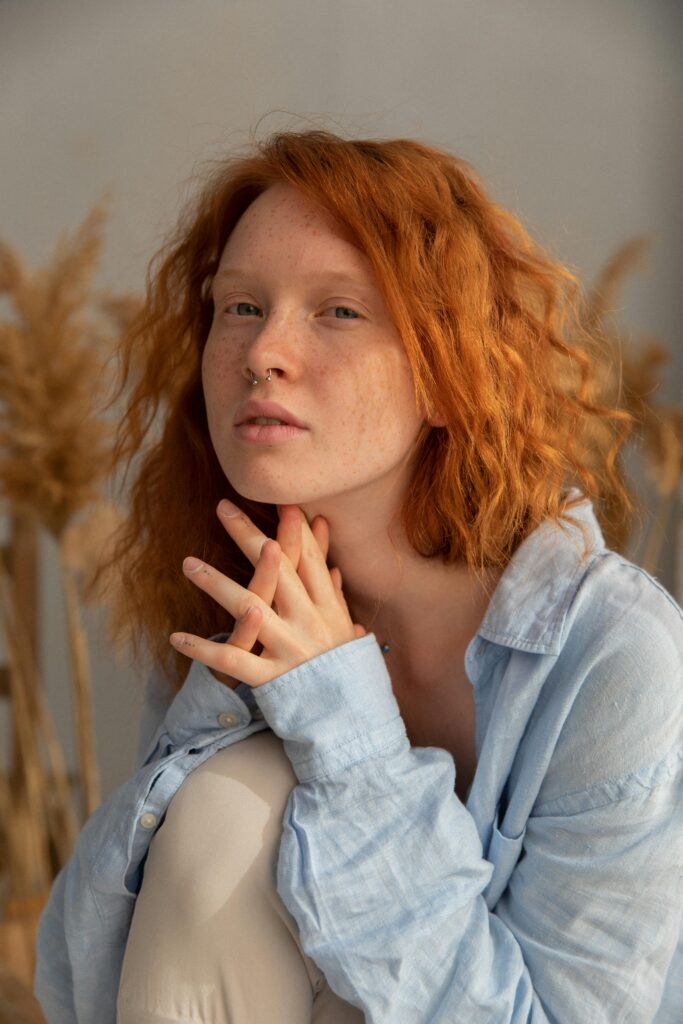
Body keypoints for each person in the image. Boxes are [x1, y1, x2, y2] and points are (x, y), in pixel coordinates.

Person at [35, 129, 682, 1023]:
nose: (263, 352)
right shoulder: (235, 606)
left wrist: (341, 724)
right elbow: (85, 983)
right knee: (227, 806)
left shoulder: (611, 653)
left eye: (337, 311)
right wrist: (227, 702)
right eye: (240, 306)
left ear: (450, 373)